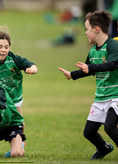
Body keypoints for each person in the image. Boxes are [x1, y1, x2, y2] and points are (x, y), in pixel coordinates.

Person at [58, 10, 118, 160]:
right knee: (89, 132)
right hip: (101, 97)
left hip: (116, 96)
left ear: (96, 29)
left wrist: (90, 68)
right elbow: (87, 69)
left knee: (110, 127)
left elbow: (113, 64)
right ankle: (104, 149)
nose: (85, 33)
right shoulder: (93, 51)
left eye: (87, 29)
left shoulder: (113, 46)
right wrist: (72, 75)